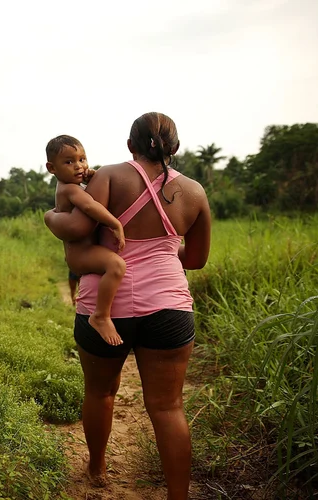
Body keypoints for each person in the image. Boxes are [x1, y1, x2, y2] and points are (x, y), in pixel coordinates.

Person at [44, 112, 211, 500]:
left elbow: (81, 231)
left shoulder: (109, 177)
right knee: (168, 407)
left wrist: (50, 217)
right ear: (175, 147)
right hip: (169, 306)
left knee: (101, 392)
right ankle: (177, 495)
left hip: (105, 304)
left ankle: (97, 465)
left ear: (130, 145)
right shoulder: (196, 193)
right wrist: (162, 250)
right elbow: (197, 258)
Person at [45, 135, 127, 346]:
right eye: (69, 162)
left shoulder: (70, 186)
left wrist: (92, 176)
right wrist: (115, 224)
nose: (78, 166)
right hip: (81, 254)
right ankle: (101, 315)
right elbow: (91, 206)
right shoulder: (70, 189)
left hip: (81, 251)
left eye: (82, 159)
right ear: (51, 168)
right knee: (116, 266)